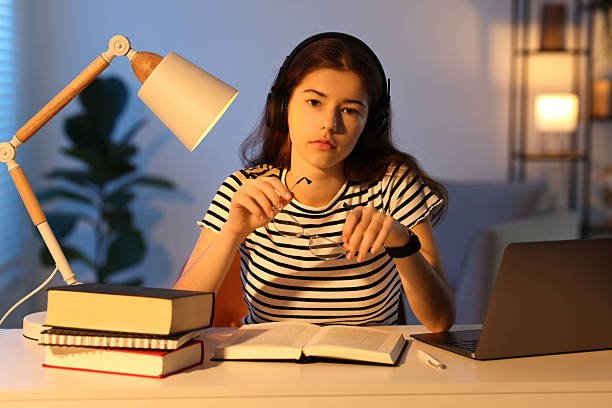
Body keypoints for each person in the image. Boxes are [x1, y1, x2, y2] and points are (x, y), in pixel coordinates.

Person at [174, 32, 455, 331]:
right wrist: (232, 232)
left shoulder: (394, 186)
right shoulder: (243, 191)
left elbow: (441, 320)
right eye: (314, 102)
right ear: (282, 108)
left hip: (371, 374)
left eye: (350, 110)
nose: (329, 124)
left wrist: (401, 242)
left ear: (370, 124)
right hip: (267, 371)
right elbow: (175, 316)